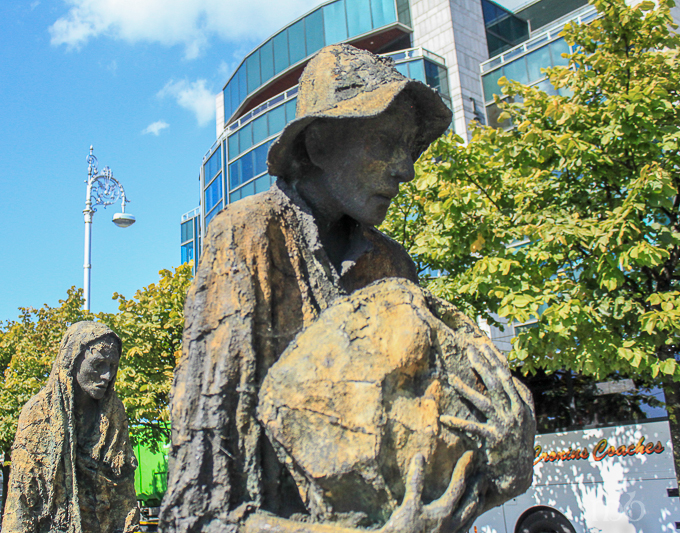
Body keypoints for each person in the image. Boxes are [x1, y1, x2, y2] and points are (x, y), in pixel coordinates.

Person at [159, 44, 535, 533]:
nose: (406, 169)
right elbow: (198, 512)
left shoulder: (392, 264)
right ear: (317, 144)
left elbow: (427, 464)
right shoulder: (247, 236)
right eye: (384, 142)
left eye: (410, 148)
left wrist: (498, 462)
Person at [5, 321, 140, 533]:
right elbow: (21, 499)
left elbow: (124, 489)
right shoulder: (38, 413)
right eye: (98, 365)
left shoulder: (114, 413)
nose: (107, 376)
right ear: (73, 361)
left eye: (112, 366)